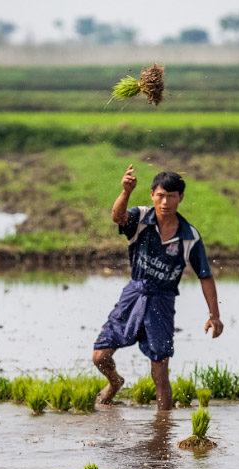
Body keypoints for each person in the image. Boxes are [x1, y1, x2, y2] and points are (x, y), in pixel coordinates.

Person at [93, 165, 223, 410]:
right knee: (100, 356)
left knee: (160, 370)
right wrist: (126, 192)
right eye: (161, 195)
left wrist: (214, 316)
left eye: (171, 196)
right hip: (134, 293)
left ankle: (163, 428)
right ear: (152, 194)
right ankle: (115, 382)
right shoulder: (141, 218)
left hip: (163, 300)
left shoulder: (189, 236)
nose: (165, 202)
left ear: (180, 198)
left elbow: (205, 275)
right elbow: (117, 217)